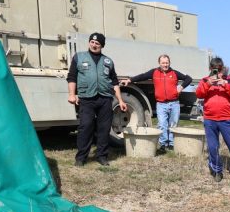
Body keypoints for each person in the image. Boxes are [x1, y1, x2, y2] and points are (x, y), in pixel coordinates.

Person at [67, 32, 127, 167]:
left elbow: (114, 82)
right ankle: (81, 158)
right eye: (92, 42)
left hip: (105, 99)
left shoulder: (108, 61)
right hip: (86, 98)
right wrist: (72, 94)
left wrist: (120, 100)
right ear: (89, 42)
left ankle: (102, 156)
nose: (94, 45)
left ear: (102, 45)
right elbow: (72, 77)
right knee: (86, 126)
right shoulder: (79, 57)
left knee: (104, 129)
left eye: (97, 43)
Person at [120, 54, 193, 153]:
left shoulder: (174, 73)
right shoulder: (154, 72)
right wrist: (130, 80)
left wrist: (181, 87)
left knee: (173, 125)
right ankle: (163, 144)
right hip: (161, 104)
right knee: (162, 124)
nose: (165, 65)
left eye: (167, 63)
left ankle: (171, 144)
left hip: (174, 103)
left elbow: (188, 78)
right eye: (163, 63)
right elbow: (142, 76)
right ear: (159, 63)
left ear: (169, 63)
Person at [195, 57, 230, 182]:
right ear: (210, 68)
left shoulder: (229, 80)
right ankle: (217, 171)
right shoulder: (205, 80)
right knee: (213, 147)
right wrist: (208, 84)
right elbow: (199, 94)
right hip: (210, 119)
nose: (217, 72)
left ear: (222, 69)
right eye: (214, 69)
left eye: (219, 69)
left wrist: (225, 84)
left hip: (226, 119)